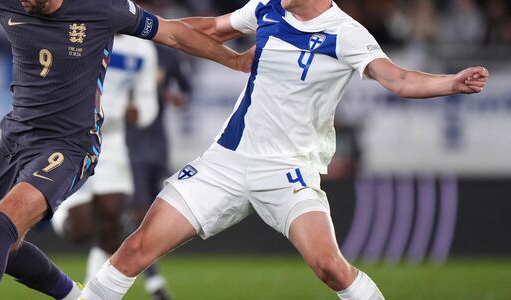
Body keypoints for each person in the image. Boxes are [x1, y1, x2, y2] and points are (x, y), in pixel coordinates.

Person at [0, 0, 251, 299]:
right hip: (15, 137)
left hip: (70, 145)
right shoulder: (7, 3)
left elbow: (174, 33)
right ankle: (75, 297)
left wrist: (233, 62)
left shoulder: (102, 8)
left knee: (2, 225)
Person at [81, 1, 490, 299]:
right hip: (227, 161)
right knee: (134, 249)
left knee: (330, 267)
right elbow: (212, 27)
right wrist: (140, 26)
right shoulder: (267, 8)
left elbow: (398, 79)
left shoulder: (345, 33)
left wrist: (450, 83)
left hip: (288, 170)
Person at [50, 32, 158, 293]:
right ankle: (54, 209)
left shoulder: (142, 49)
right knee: (81, 229)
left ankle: (91, 293)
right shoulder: (80, 31)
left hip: (113, 140)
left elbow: (147, 99)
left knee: (112, 219)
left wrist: (140, 113)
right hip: (72, 137)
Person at [122, 43, 193, 300]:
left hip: (158, 143)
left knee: (160, 209)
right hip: (127, 144)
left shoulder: (168, 55)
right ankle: (153, 281)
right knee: (140, 211)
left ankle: (141, 266)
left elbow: (186, 89)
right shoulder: (121, 50)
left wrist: (175, 96)